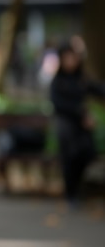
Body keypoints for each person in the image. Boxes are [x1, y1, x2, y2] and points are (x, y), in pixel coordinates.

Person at [50, 41, 105, 207]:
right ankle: (71, 193)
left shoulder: (81, 78)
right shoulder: (58, 81)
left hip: (81, 126)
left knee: (87, 153)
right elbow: (58, 104)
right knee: (70, 157)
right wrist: (81, 114)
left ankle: (77, 189)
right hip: (66, 126)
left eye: (72, 57)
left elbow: (97, 89)